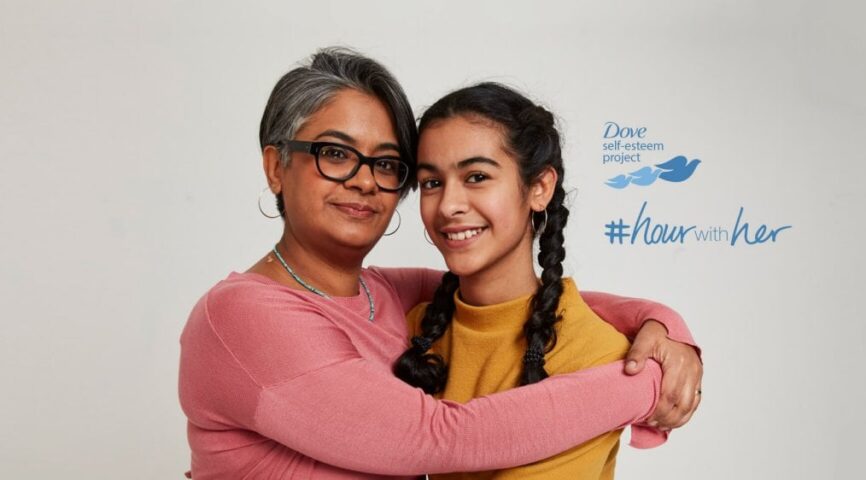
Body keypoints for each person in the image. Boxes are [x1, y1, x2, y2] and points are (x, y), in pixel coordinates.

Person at [178, 47, 702, 479]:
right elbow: (434, 437)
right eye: (335, 153)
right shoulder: (241, 315)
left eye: (385, 164)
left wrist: (661, 323)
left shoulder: (386, 296)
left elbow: (508, 299)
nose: (364, 180)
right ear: (276, 166)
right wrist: (646, 383)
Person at [396, 83, 671, 479]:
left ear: (540, 188)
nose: (448, 205)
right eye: (431, 183)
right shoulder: (413, 332)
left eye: (476, 176)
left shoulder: (597, 354)